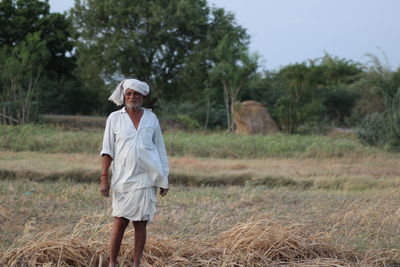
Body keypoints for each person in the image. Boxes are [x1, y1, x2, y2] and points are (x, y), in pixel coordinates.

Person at [99, 78, 169, 267]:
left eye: (136, 93)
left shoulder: (151, 118)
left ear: (143, 96)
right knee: (120, 222)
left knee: (141, 223)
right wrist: (104, 178)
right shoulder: (115, 118)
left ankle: (137, 263)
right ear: (124, 96)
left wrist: (164, 178)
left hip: (147, 178)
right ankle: (113, 263)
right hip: (122, 178)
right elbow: (107, 150)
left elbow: (160, 149)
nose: (132, 97)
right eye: (129, 93)